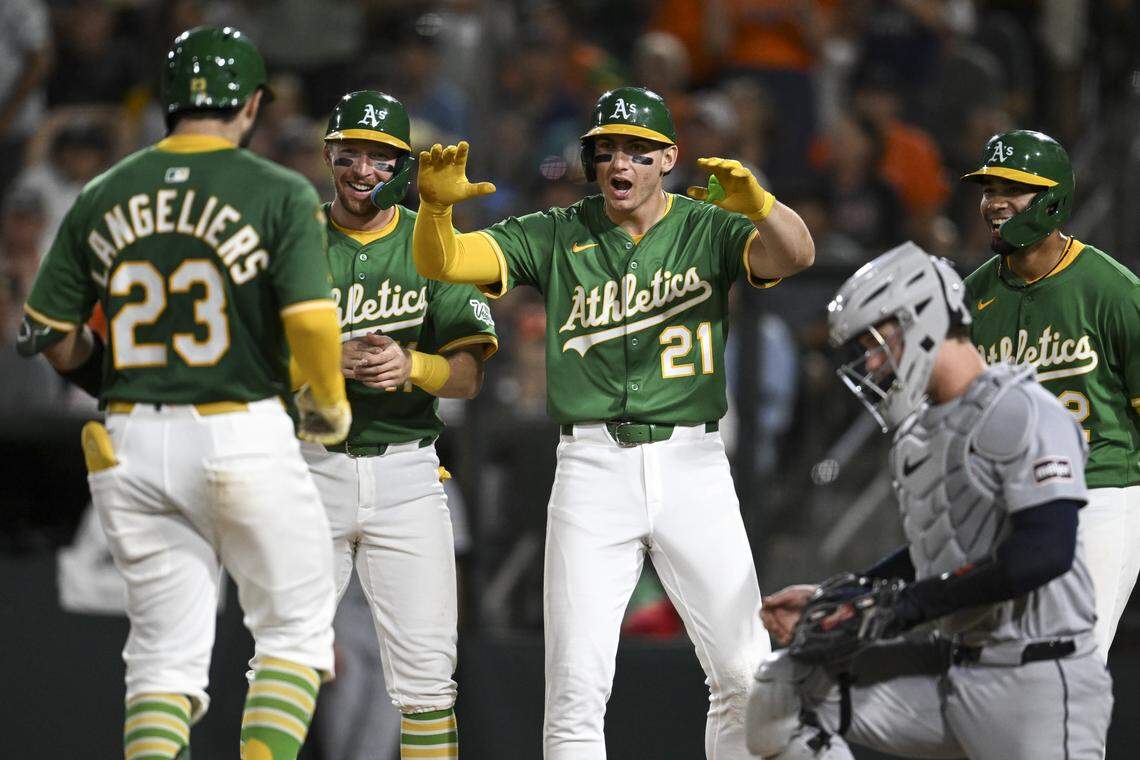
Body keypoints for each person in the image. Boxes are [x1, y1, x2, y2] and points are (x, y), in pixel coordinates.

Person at [410, 85, 815, 759]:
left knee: (747, 675)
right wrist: (433, 209)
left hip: (694, 465)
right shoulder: (559, 230)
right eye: (605, 150)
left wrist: (764, 208)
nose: (617, 163)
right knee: (574, 688)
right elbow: (443, 261)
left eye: (634, 150)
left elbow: (796, 256)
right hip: (592, 465)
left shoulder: (705, 225)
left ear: (667, 157)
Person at [17, 26, 350, 760]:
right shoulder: (276, 189)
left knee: (164, 657)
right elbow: (310, 322)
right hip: (241, 429)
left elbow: (47, 330)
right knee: (294, 631)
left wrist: (123, 386)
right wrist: (328, 404)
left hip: (129, 442)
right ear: (254, 104)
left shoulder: (103, 190)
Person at [747, 242, 1112, 760]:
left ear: (919, 316)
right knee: (785, 688)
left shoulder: (1025, 410)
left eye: (876, 341)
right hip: (950, 668)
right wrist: (849, 593)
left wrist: (907, 606)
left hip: (1037, 678)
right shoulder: (918, 431)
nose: (871, 362)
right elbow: (938, 551)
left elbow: (1043, 552)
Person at [302, 89, 497, 760]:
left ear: (402, 166)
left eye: (380, 159)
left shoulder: (432, 243)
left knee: (424, 681)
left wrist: (413, 365)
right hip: (310, 461)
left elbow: (470, 374)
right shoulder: (293, 235)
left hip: (407, 464)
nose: (362, 171)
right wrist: (327, 360)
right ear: (328, 155)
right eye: (350, 155)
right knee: (285, 662)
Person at [962, 129, 1140, 659]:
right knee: (1005, 675)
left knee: (1069, 664)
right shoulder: (972, 297)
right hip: (1013, 501)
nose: (995, 202)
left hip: (1101, 492)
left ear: (1053, 197)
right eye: (989, 187)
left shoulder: (1112, 290)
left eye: (1012, 188)